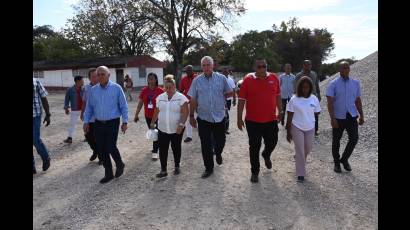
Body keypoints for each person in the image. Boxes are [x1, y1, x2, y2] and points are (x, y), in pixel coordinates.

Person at [237, 58, 282, 183]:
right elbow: (241, 100)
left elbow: (278, 96)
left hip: (271, 119)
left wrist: (281, 111)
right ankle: (255, 172)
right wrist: (239, 118)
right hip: (252, 121)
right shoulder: (248, 80)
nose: (262, 68)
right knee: (254, 146)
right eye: (259, 66)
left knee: (273, 141)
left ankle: (266, 154)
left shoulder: (274, 78)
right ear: (254, 68)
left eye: (264, 66)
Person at [188, 56, 233, 178]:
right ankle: (208, 168)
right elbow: (192, 99)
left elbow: (230, 92)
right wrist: (191, 116)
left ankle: (218, 153)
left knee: (221, 141)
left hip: (219, 116)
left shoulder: (222, 78)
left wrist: (223, 100)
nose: (206, 67)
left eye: (208, 65)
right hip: (203, 118)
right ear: (201, 67)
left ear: (213, 66)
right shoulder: (197, 81)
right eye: (204, 65)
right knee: (205, 144)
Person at [83, 66, 128, 184]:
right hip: (98, 123)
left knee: (110, 146)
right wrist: (86, 121)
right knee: (101, 149)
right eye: (98, 75)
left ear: (109, 75)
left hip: (113, 122)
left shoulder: (116, 88)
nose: (100, 77)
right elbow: (89, 108)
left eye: (103, 74)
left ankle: (119, 164)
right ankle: (108, 173)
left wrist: (125, 121)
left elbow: (123, 106)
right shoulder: (93, 90)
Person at [326, 61, 364, 173]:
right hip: (338, 117)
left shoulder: (355, 83)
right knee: (336, 140)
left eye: (347, 67)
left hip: (351, 115)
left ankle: (344, 159)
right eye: (343, 68)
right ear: (339, 70)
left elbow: (357, 100)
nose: (346, 69)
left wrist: (361, 115)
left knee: (354, 138)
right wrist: (332, 118)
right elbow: (330, 103)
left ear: (349, 69)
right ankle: (337, 163)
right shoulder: (333, 84)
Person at [150, 75, 189, 178]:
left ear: (174, 87)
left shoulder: (181, 97)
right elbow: (157, 110)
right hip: (162, 129)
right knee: (163, 149)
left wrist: (181, 125)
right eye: (166, 87)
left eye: (170, 87)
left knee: (176, 148)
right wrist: (153, 122)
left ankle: (177, 166)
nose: (168, 89)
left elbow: (185, 112)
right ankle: (163, 170)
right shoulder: (160, 98)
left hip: (176, 129)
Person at [285, 76, 321, 183]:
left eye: (307, 87)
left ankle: (299, 158)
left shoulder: (314, 98)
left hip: (310, 127)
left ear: (310, 88)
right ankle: (300, 173)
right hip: (297, 127)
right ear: (299, 88)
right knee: (300, 149)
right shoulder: (293, 99)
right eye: (303, 87)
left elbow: (317, 111)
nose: (305, 90)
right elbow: (290, 115)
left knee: (308, 148)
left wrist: (310, 110)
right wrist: (288, 131)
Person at [134, 72, 164, 160]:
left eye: (153, 78)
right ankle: (156, 147)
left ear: (156, 80)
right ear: (147, 80)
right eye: (149, 78)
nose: (151, 80)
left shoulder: (160, 91)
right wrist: (136, 114)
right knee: (153, 132)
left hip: (159, 116)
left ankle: (155, 152)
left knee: (156, 132)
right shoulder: (144, 90)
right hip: (148, 116)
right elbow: (140, 104)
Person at [81, 68, 102, 165]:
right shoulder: (87, 88)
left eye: (97, 76)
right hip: (89, 117)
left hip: (99, 117)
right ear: (89, 78)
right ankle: (95, 151)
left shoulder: (102, 87)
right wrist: (82, 113)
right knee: (88, 136)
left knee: (99, 138)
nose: (96, 78)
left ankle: (101, 156)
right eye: (93, 76)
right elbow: (84, 102)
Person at [295, 60, 321, 136]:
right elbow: (296, 87)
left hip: (313, 98)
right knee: (304, 113)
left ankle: (315, 130)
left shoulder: (314, 74)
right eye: (306, 65)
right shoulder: (298, 76)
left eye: (309, 65)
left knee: (315, 114)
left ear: (311, 65)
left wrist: (319, 94)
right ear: (303, 66)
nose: (307, 66)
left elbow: (316, 85)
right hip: (302, 98)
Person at [33, 78, 51, 174]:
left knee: (35, 139)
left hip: (35, 115)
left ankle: (46, 157)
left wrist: (48, 114)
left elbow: (44, 98)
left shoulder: (36, 82)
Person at [63, 76, 84, 144]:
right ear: (77, 81)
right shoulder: (70, 90)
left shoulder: (84, 89)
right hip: (74, 110)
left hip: (83, 109)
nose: (83, 82)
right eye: (82, 81)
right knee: (72, 124)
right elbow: (67, 99)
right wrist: (66, 108)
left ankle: (87, 137)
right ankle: (70, 138)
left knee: (86, 123)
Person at [179, 65, 197, 143]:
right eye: (186, 71)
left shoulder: (197, 78)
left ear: (193, 70)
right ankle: (189, 136)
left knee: (200, 118)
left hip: (197, 102)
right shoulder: (184, 79)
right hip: (187, 102)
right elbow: (180, 91)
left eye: (189, 70)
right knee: (187, 120)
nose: (188, 72)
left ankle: (203, 134)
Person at [221, 67, 237, 134]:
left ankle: (226, 129)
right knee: (224, 113)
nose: (225, 73)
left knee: (226, 114)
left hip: (228, 99)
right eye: (224, 72)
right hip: (221, 99)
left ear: (228, 72)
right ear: (222, 72)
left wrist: (234, 99)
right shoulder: (220, 79)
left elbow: (233, 89)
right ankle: (223, 129)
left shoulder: (230, 79)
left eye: (226, 72)